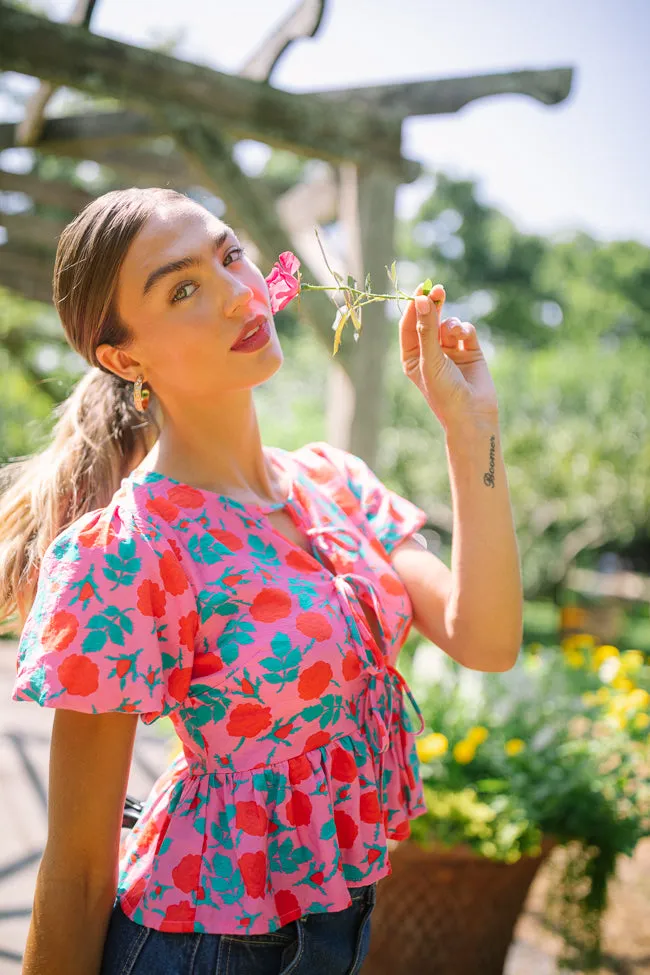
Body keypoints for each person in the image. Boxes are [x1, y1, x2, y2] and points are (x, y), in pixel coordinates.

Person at [1, 187, 522, 975]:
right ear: (124, 357)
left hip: (333, 932)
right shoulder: (133, 546)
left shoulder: (332, 483)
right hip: (199, 949)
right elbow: (75, 875)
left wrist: (471, 429)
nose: (240, 295)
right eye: (183, 289)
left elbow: (485, 637)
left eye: (230, 255)